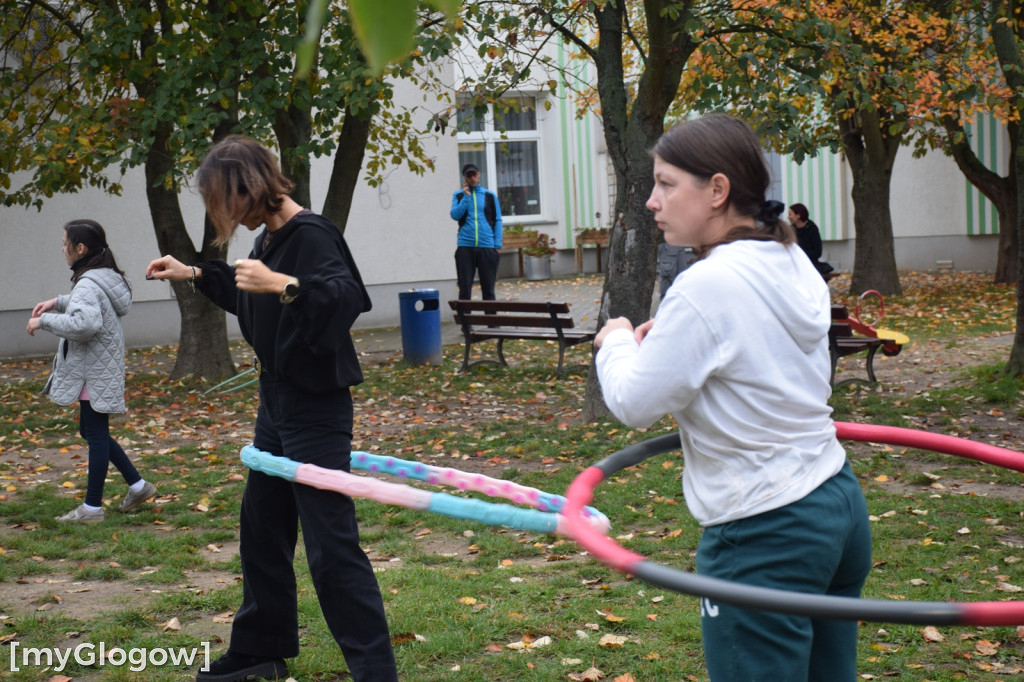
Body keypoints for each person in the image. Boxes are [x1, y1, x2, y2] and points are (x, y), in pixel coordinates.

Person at [594, 114, 871, 682]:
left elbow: (631, 401)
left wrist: (617, 340)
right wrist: (671, 340)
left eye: (667, 184)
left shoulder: (707, 283)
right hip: (836, 503)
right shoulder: (788, 256)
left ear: (717, 190)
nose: (651, 201)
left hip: (765, 529)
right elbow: (750, 352)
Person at [146, 136, 397, 682]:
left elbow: (347, 297)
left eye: (221, 198)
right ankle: (260, 653)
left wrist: (285, 285)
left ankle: (376, 671)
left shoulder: (310, 234)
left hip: (315, 408)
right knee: (262, 531)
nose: (220, 212)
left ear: (246, 187)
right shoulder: (271, 239)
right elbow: (248, 297)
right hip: (276, 405)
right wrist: (192, 273)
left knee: (331, 547)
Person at [27, 219, 157, 522]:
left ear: (80, 248)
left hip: (92, 370)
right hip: (100, 367)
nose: (62, 249)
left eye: (64, 243)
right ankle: (137, 486)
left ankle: (92, 507)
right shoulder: (103, 276)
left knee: (96, 434)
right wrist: (57, 302)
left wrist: (42, 322)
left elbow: (85, 323)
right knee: (90, 430)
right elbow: (88, 304)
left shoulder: (87, 281)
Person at [450, 163, 503, 301]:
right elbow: (455, 215)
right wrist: (466, 197)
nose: (472, 178)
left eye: (474, 174)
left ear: (479, 174)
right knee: (464, 288)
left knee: (489, 290)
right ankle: (466, 322)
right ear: (465, 177)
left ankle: (492, 322)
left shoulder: (489, 195)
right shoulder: (458, 195)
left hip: (487, 246)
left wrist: (497, 245)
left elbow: (497, 219)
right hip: (465, 247)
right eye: (469, 175)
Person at [788, 202, 833, 278]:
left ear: (798, 215)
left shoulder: (811, 229)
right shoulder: (790, 230)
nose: (788, 217)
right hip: (794, 265)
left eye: (790, 214)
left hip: (810, 265)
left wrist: (799, 254)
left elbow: (817, 252)